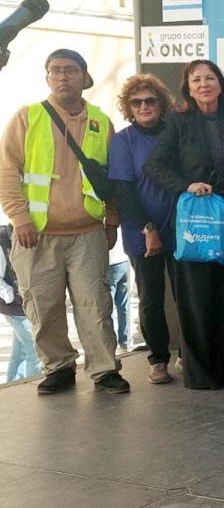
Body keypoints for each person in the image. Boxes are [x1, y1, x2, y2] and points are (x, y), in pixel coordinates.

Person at [0, 48, 128, 394]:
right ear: (47, 78)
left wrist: (112, 221)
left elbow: (112, 179)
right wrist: (19, 218)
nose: (61, 76)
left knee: (95, 305)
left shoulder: (102, 122)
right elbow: (7, 171)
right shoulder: (28, 117)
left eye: (69, 70)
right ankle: (58, 367)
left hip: (87, 233)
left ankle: (104, 369)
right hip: (36, 234)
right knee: (43, 305)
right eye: (54, 71)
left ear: (85, 77)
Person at [145, 59, 224, 390]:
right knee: (198, 296)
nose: (203, 84)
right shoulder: (178, 123)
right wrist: (185, 185)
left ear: (221, 84)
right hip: (198, 222)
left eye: (209, 78)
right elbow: (154, 165)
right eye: (196, 80)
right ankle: (203, 373)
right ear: (188, 88)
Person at [109, 73, 178, 384]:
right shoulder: (123, 141)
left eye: (150, 100)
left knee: (186, 295)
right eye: (137, 102)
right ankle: (158, 358)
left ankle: (187, 354)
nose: (144, 106)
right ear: (129, 108)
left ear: (161, 104)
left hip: (181, 229)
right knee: (151, 298)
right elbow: (123, 192)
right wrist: (148, 229)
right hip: (143, 231)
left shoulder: (175, 133)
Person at [1, 223, 41, 382]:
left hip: (24, 305)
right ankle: (33, 387)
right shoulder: (3, 240)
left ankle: (10, 386)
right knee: (35, 351)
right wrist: (11, 296)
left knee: (20, 350)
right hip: (15, 308)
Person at [107, 235, 130, 353]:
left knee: (107, 307)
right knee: (123, 305)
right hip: (124, 260)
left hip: (110, 263)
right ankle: (125, 340)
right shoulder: (117, 217)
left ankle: (110, 343)